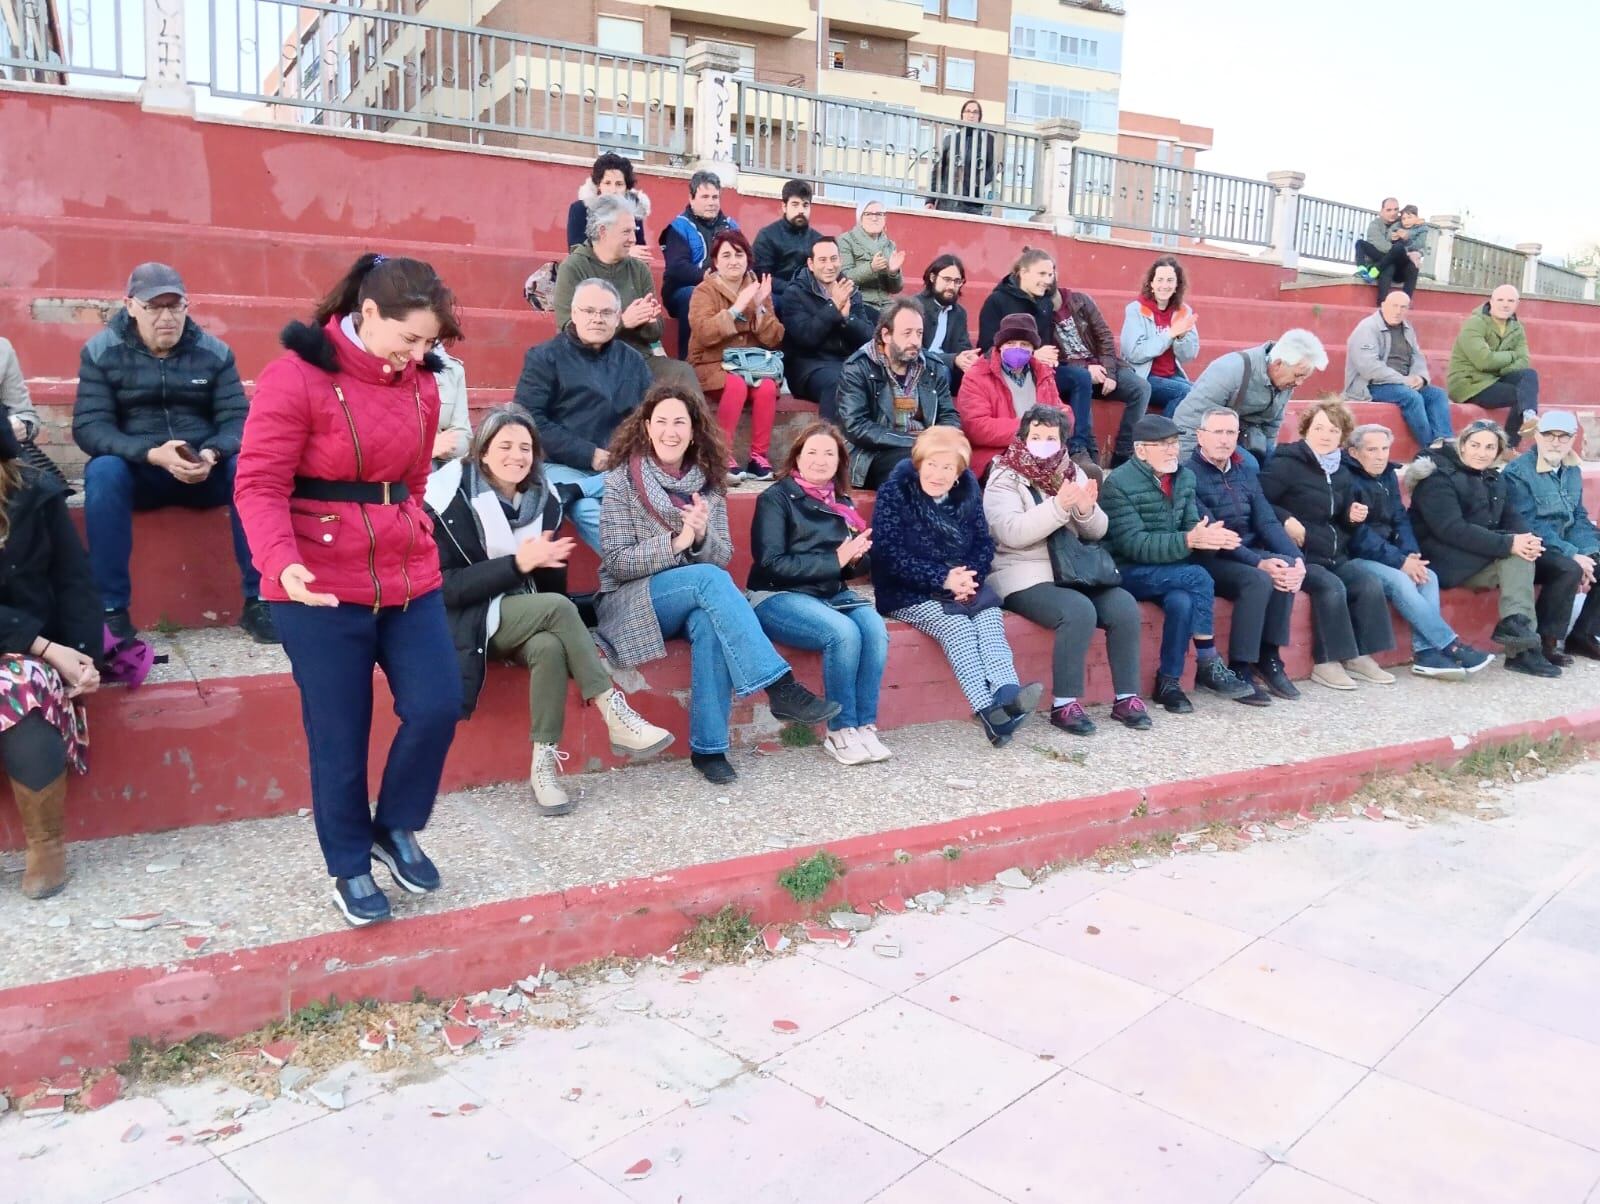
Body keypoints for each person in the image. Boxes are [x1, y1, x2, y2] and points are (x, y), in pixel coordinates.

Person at [235, 254, 465, 927]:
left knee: (438, 704)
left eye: (430, 344)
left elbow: (417, 477)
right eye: (409, 339)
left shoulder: (422, 385)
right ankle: (348, 865)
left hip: (405, 570)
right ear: (367, 315)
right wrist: (279, 562)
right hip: (316, 584)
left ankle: (394, 826)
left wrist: (415, 519)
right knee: (340, 736)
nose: (417, 355)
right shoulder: (297, 377)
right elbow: (257, 484)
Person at [426, 407, 672, 816]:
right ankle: (613, 709)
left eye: (525, 447)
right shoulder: (449, 499)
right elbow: (445, 588)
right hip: (468, 620)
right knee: (557, 609)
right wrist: (519, 564)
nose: (516, 455)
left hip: (526, 615)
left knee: (547, 647)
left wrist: (549, 566)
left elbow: (545, 594)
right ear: (483, 453)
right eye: (504, 446)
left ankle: (543, 769)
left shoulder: (544, 501)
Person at [595, 386, 837, 786]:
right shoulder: (621, 480)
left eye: (680, 423)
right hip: (631, 599)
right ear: (646, 428)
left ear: (693, 431)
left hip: (694, 596)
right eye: (662, 422)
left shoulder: (709, 482)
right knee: (710, 581)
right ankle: (780, 686)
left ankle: (709, 749)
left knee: (711, 622)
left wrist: (704, 534)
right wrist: (677, 543)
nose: (670, 432)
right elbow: (617, 562)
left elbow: (720, 556)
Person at [72, 263, 273, 644]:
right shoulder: (102, 352)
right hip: (141, 473)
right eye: (154, 307)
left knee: (247, 466)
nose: (166, 317)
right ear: (130, 305)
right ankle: (111, 609)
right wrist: (151, 453)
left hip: (203, 471)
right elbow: (90, 428)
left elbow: (239, 421)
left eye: (174, 306)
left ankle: (260, 601)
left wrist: (213, 453)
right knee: (103, 471)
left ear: (187, 305)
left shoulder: (214, 353)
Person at [869, 426, 1042, 746]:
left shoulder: (967, 491)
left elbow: (982, 544)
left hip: (962, 582)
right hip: (908, 588)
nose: (938, 474)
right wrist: (942, 579)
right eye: (932, 464)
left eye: (947, 467)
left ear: (959, 470)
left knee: (989, 618)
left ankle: (1007, 694)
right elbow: (889, 554)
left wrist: (966, 578)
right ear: (919, 462)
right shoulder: (896, 492)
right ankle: (989, 712)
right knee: (957, 627)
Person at [984, 406, 1150, 734]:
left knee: (1123, 606)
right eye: (1036, 436)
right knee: (1078, 610)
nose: (1043, 443)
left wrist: (1087, 511)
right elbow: (1011, 533)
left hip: (1073, 569)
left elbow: (1097, 531)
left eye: (1051, 437)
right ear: (1023, 437)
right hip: (1022, 571)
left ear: (1062, 440)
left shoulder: (1073, 471)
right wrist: (1059, 507)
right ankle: (1065, 704)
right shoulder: (1004, 476)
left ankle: (1126, 698)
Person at [747, 422, 891, 766]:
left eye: (829, 453)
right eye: (812, 452)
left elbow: (847, 568)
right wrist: (835, 559)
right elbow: (769, 563)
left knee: (873, 627)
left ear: (840, 461)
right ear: (797, 456)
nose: (820, 460)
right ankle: (840, 731)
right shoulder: (775, 498)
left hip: (829, 593)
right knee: (842, 633)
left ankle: (864, 725)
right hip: (776, 595)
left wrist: (855, 559)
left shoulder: (841, 502)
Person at [0, 419, 102, 900]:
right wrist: (44, 647)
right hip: (30, 642)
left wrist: (83, 655)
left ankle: (46, 847)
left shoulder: (33, 491)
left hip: (22, 655)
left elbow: (71, 578)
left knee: (21, 683)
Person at [1100, 414, 1254, 713]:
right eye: (1163, 445)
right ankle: (1208, 660)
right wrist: (1188, 541)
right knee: (1197, 577)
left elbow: (1191, 525)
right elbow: (1133, 544)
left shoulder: (1184, 477)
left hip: (1170, 570)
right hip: (1127, 569)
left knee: (1182, 601)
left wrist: (1207, 537)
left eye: (1174, 443)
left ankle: (1168, 682)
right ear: (1141, 450)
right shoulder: (1118, 483)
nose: (1173, 450)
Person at [1404, 419, 1574, 678]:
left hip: (1483, 553)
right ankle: (1523, 651)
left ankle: (1528, 638)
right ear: (1462, 445)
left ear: (1497, 452)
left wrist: (1527, 540)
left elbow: (1512, 517)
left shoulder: (1493, 478)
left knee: (1547, 562)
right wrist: (1510, 544)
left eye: (1489, 447)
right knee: (1516, 559)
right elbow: (1451, 529)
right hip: (1449, 561)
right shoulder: (1436, 478)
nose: (1481, 452)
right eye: (1475, 445)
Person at [1259, 400, 1398, 691]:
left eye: (1333, 430)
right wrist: (1286, 519)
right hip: (1299, 552)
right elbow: (1259, 501)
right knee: (1331, 587)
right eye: (1318, 428)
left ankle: (1359, 656)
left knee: (1368, 583)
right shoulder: (1286, 462)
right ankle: (1327, 662)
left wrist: (1352, 515)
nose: (1325, 435)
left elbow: (1342, 516)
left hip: (1334, 550)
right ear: (1306, 429)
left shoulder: (1341, 470)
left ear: (1342, 435)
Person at [514, 278, 653, 551]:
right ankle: (634, 563)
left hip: (620, 466)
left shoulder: (633, 362)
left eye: (606, 313)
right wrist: (589, 454)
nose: (597, 319)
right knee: (583, 504)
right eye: (589, 311)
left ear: (617, 318)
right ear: (574, 313)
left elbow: (649, 418)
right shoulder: (544, 358)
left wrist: (627, 455)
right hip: (561, 464)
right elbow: (529, 420)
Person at [1344, 422, 1492, 677]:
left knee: (1428, 575)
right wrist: (1400, 562)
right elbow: (1359, 535)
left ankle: (1426, 655)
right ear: (1354, 453)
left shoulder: (1387, 474)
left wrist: (1410, 552)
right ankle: (1451, 645)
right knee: (1402, 579)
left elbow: (1401, 517)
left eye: (1384, 449)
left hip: (1387, 553)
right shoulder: (1345, 478)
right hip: (1353, 557)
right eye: (1372, 450)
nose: (1380, 456)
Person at [1186, 405, 1305, 704]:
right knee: (1258, 579)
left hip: (1249, 551)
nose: (1225, 440)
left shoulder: (1244, 472)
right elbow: (1214, 531)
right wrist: (1259, 562)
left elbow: (1266, 520)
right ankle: (1240, 668)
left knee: (1286, 566)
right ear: (1201, 436)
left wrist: (1297, 559)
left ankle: (1269, 657)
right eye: (1218, 432)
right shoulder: (1187, 475)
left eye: (1231, 433)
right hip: (1212, 557)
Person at [553, 195, 698, 393]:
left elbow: (656, 333)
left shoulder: (639, 269)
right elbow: (568, 332)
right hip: (592, 362)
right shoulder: (573, 267)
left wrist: (649, 320)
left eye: (634, 231)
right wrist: (623, 322)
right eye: (626, 232)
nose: (633, 239)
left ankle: (696, 425)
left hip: (639, 358)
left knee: (682, 373)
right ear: (603, 231)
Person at [976, 248, 1096, 480]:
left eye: (1050, 274)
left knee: (1081, 378)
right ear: (1023, 272)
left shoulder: (1045, 303)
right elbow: (986, 346)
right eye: (1041, 274)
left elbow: (1045, 343)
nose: (1047, 280)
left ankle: (1078, 448)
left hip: (1041, 370)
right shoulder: (997, 300)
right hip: (1005, 369)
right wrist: (1033, 355)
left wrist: (1048, 357)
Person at [686, 230, 784, 482]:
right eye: (726, 255)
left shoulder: (757, 288)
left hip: (750, 366)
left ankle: (758, 457)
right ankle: (720, 455)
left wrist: (760, 306)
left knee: (767, 387)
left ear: (747, 259)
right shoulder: (704, 291)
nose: (733, 261)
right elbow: (704, 333)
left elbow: (774, 338)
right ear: (716, 261)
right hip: (711, 364)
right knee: (737, 384)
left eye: (738, 254)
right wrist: (737, 308)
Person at [1502, 411, 1600, 661]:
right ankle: (1547, 641)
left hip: (1564, 541)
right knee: (1568, 568)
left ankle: (1583, 635)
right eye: (1548, 435)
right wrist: (1573, 554)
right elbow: (1528, 524)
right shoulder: (1518, 472)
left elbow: (1577, 516)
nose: (1555, 442)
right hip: (1534, 545)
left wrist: (1589, 551)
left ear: (1573, 438)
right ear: (1536, 436)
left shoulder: (1571, 469)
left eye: (1563, 436)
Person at [837, 299, 960, 489]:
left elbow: (948, 415)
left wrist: (943, 440)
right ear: (886, 335)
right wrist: (915, 442)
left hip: (928, 450)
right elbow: (857, 427)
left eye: (919, 333)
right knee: (913, 469)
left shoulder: (933, 368)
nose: (915, 341)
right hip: (873, 454)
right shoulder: (858, 367)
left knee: (963, 476)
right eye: (907, 333)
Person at [1172, 330, 1328, 462]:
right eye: (1298, 375)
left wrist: (1268, 460)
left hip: (1249, 438)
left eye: (1304, 378)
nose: (1299, 383)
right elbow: (1189, 419)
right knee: (1250, 466)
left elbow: (1272, 425)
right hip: (1216, 438)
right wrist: (1187, 469)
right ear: (1278, 364)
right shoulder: (1230, 370)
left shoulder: (1286, 381)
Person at [955, 313, 1065, 480]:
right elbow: (975, 426)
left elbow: (1060, 411)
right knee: (1022, 476)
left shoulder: (1044, 374)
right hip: (997, 454)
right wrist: (1031, 430)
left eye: (1024, 344)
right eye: (1011, 343)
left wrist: (1061, 421)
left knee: (1083, 473)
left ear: (1033, 349)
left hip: (1043, 451)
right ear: (1000, 346)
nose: (1017, 349)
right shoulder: (977, 375)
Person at [782, 235, 877, 422]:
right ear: (810, 264)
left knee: (876, 379)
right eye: (822, 260)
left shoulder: (850, 290)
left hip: (846, 361)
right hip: (809, 365)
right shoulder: (795, 293)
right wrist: (833, 306)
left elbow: (868, 337)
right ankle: (829, 442)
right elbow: (806, 337)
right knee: (839, 382)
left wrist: (846, 318)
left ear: (840, 260)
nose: (829, 266)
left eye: (834, 259)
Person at [1344, 290, 1453, 451]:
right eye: (1394, 306)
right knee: (1411, 397)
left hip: (1403, 383)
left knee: (1437, 394)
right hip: (1370, 385)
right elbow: (1369, 368)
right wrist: (1404, 380)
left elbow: (1417, 356)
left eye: (1403, 307)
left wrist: (1420, 378)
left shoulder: (1407, 328)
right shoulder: (1367, 328)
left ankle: (1444, 442)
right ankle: (1430, 447)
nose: (1398, 311)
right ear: (1383, 305)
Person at [1448, 286, 1539, 449]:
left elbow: (1524, 360)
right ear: (1491, 301)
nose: (1505, 305)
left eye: (1511, 301)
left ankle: (1529, 416)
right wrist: (1511, 355)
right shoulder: (1475, 323)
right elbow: (1484, 361)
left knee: (1529, 375)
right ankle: (1508, 447)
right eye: (1500, 300)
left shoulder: (1517, 327)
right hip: (1469, 384)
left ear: (1517, 304)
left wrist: (1499, 369)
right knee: (1521, 394)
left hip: (1494, 379)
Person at [661, 170, 738, 358]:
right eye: (705, 197)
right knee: (694, 296)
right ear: (692, 198)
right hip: (683, 291)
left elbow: (746, 259)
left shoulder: (731, 226)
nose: (711, 202)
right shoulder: (678, 227)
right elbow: (677, 267)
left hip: (724, 288)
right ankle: (688, 361)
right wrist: (708, 278)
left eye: (715, 197)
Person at [1121, 256, 1199, 416]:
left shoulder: (1183, 311)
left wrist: (1181, 337)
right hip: (1142, 377)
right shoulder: (1135, 310)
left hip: (1170, 376)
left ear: (1177, 285)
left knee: (1200, 394)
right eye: (1160, 280)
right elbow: (1134, 353)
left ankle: (1178, 437)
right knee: (1185, 392)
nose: (1165, 285)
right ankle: (1161, 435)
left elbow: (1189, 356)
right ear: (1151, 284)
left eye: (1170, 280)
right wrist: (1170, 334)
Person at [752, 178, 824, 314]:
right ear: (784, 207)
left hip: (810, 296)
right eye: (795, 205)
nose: (801, 210)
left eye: (805, 205)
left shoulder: (818, 240)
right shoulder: (767, 236)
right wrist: (794, 289)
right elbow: (762, 277)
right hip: (778, 296)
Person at [915, 254, 980, 398]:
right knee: (940, 372)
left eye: (957, 281)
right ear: (932, 278)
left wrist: (968, 357)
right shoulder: (915, 306)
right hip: (919, 367)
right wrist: (952, 359)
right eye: (947, 280)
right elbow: (914, 350)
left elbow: (962, 346)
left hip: (948, 369)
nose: (951, 287)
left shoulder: (959, 313)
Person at [564, 152, 650, 253]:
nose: (613, 190)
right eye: (607, 183)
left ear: (627, 187)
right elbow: (576, 251)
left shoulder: (633, 211)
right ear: (598, 185)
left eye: (619, 184)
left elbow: (641, 251)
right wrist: (625, 253)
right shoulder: (581, 209)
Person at [928, 100, 996, 215]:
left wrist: (977, 183)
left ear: (979, 117)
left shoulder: (987, 140)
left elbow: (992, 169)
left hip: (972, 205)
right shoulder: (950, 139)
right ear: (962, 115)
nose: (971, 115)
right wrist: (930, 200)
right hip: (947, 203)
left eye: (975, 112)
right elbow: (937, 171)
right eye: (968, 111)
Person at [836, 200, 906, 311]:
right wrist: (871, 268)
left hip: (886, 306)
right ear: (860, 218)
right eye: (868, 214)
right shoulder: (846, 240)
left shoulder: (889, 244)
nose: (874, 218)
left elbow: (896, 289)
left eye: (879, 214)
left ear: (884, 218)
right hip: (859, 304)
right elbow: (844, 278)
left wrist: (893, 273)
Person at [1354, 196, 1419, 299]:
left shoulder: (1404, 222)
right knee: (1390, 261)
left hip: (1398, 268)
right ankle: (1381, 303)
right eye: (1389, 210)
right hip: (1384, 261)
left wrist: (1408, 240)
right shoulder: (1374, 225)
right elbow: (1382, 247)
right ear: (1381, 212)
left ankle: (1405, 302)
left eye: (1396, 209)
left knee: (1412, 268)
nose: (1393, 213)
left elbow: (1418, 242)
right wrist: (1404, 252)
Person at [430, 346, 471, 468]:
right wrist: (428, 447)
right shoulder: (392, 365)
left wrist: (448, 447)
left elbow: (464, 434)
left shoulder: (453, 369)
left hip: (438, 471)